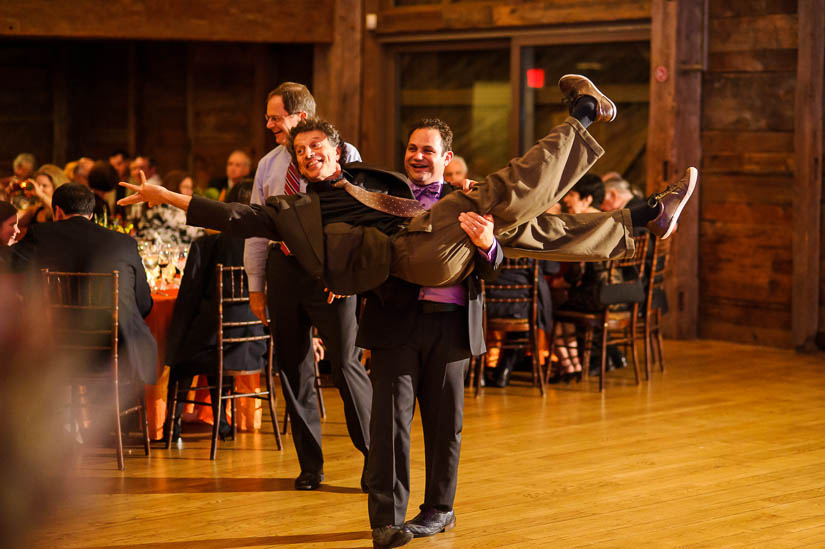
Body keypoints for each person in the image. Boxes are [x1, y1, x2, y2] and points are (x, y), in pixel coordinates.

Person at [119, 75, 696, 300]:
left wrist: (460, 205)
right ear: (294, 159)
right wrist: (164, 196)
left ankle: (645, 217)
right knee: (498, 193)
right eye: (301, 152)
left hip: (436, 254)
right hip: (413, 257)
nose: (310, 155)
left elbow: (415, 199)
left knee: (526, 225)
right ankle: (582, 117)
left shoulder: (368, 180)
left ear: (337, 151)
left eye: (318, 148)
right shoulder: (290, 208)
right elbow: (230, 216)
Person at [244, 82, 371, 492]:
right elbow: (254, 228)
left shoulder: (342, 154)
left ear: (300, 117)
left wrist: (346, 275)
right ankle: (310, 465)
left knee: (347, 366)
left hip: (330, 277)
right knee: (293, 366)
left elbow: (355, 222)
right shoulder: (267, 166)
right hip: (284, 271)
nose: (269, 125)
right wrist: (256, 285)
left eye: (275, 117)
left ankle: (376, 458)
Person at [12, 183, 158, 385]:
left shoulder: (40, 235)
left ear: (58, 211)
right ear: (91, 214)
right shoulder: (124, 242)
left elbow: (8, 263)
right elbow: (144, 304)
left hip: (59, 353)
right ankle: (127, 415)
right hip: (120, 354)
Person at [164, 181, 265, 442]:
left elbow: (187, 300)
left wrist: (173, 346)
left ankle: (171, 426)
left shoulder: (207, 246)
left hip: (214, 345)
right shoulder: (266, 247)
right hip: (256, 346)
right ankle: (221, 423)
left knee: (186, 351)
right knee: (216, 340)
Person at [135, 170, 203, 246]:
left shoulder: (165, 204)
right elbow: (194, 231)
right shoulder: (165, 206)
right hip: (155, 250)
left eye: (191, 188)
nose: (190, 192)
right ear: (174, 186)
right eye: (186, 187)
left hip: (164, 250)